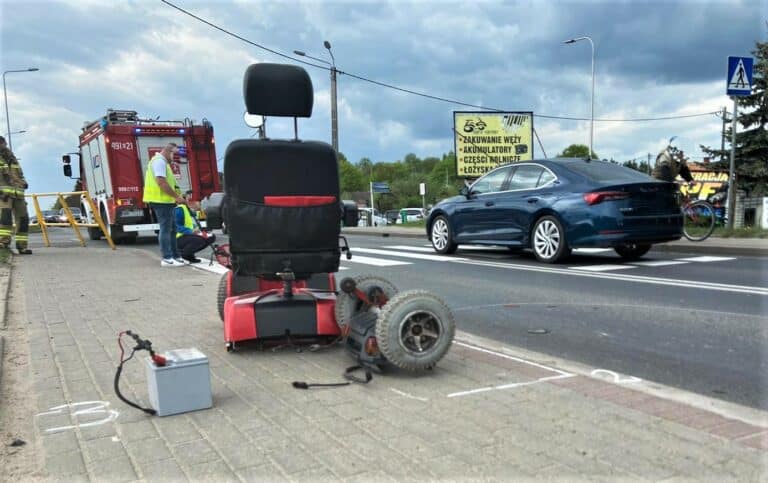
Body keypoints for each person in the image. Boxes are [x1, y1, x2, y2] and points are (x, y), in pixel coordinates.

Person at [142, 143, 186, 267]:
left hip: (166, 201)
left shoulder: (163, 163)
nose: (175, 158)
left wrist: (177, 196)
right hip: (160, 201)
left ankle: (175, 256)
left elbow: (170, 183)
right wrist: (176, 197)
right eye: (174, 154)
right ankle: (167, 258)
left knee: (172, 229)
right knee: (166, 229)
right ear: (168, 151)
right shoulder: (159, 162)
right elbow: (161, 182)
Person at [0, 135, 31, 254]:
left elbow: (19, 174)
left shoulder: (12, 158)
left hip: (18, 195)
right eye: (2, 144)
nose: (4, 146)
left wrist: (23, 183)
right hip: (3, 196)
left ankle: (22, 246)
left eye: (4, 143)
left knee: (23, 220)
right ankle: (3, 243)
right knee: (5, 219)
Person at [175, 189, 215, 263]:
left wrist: (199, 210)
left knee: (211, 237)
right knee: (199, 240)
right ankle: (184, 254)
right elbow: (175, 226)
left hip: (188, 235)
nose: (191, 200)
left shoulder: (189, 209)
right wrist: (191, 231)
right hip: (179, 238)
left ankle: (189, 255)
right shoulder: (179, 209)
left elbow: (198, 223)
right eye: (188, 198)